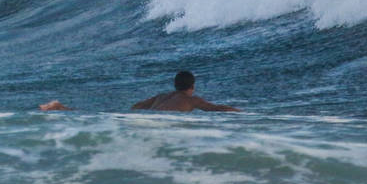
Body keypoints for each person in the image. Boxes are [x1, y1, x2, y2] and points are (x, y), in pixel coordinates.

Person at [39, 71, 240, 113]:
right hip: (156, 123)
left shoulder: (162, 96)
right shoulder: (191, 100)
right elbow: (214, 108)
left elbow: (137, 106)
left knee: (96, 115)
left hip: (145, 115)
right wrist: (237, 111)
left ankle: (62, 107)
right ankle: (60, 107)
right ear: (192, 87)